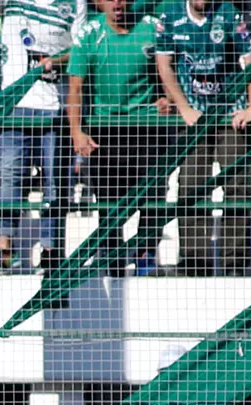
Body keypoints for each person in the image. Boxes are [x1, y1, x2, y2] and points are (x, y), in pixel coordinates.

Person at [154, 0, 251, 276]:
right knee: (190, 183)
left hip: (229, 113)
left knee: (237, 182)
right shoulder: (171, 14)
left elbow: (249, 56)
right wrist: (183, 106)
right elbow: (164, 65)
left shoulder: (228, 12)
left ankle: (235, 261)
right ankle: (193, 261)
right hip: (194, 115)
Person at [67, 0, 171, 274]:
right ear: (98, 2)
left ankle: (146, 255)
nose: (118, 3)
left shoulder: (152, 27)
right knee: (109, 199)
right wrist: (77, 131)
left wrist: (167, 98)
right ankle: (112, 260)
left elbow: (171, 67)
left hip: (146, 125)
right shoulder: (89, 33)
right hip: (105, 128)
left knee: (153, 195)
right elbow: (75, 88)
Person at [0, 0, 82, 270]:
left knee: (54, 179)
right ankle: (4, 249)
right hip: (13, 105)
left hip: (53, 108)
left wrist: (56, 60)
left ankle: (50, 250)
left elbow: (80, 47)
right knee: (10, 175)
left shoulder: (75, 3)